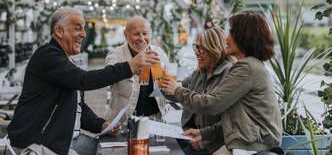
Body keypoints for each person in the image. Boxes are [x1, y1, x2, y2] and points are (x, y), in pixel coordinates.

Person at [8, 7, 160, 155]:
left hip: (67, 138)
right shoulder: (47, 56)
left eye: (83, 28)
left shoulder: (64, 60)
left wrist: (100, 124)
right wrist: (130, 66)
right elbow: (84, 80)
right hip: (39, 142)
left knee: (114, 150)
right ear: (59, 31)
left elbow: (78, 106)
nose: (83, 34)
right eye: (78, 28)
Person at [162, 12, 282, 155]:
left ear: (242, 37)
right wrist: (204, 133)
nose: (226, 37)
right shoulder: (250, 66)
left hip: (251, 147)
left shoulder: (247, 68)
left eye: (231, 32)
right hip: (248, 144)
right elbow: (235, 121)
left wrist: (177, 90)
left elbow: (210, 104)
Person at [164, 28, 234, 155]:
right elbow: (178, 92)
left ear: (215, 50)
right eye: (196, 47)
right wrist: (163, 82)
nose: (197, 52)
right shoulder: (200, 72)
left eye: (202, 48)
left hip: (214, 145)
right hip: (192, 136)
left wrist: (203, 142)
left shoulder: (229, 74)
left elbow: (231, 122)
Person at [105, 16, 168, 122]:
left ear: (150, 33)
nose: (141, 38)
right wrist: (132, 65)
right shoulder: (116, 55)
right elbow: (107, 76)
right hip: (122, 122)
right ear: (126, 35)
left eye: (145, 33)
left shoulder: (159, 53)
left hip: (155, 120)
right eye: (136, 34)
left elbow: (168, 82)